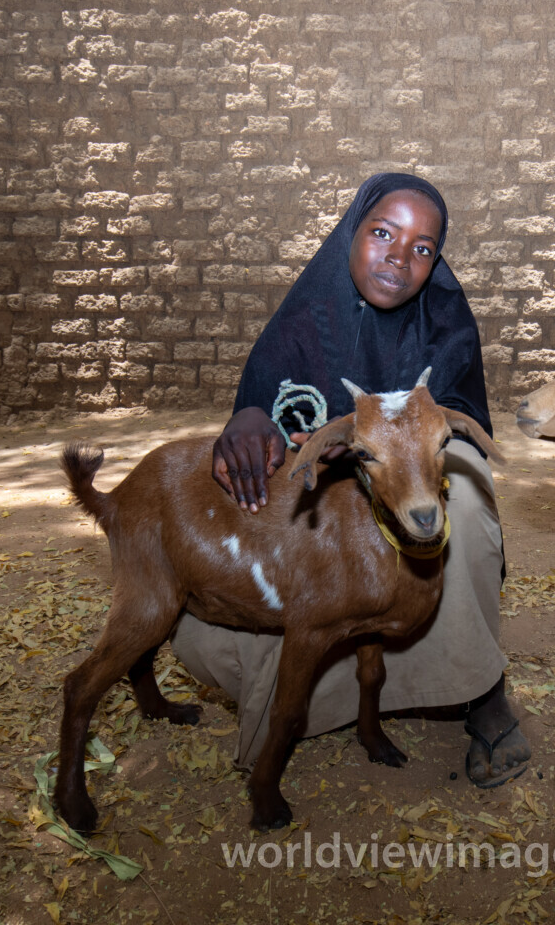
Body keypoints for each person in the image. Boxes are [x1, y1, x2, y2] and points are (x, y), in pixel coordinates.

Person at [170, 172, 532, 788]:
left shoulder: (445, 323)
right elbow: (273, 416)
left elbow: (453, 421)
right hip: (332, 501)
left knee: (466, 497)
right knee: (247, 539)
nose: (400, 257)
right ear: (351, 232)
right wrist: (249, 416)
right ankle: (318, 692)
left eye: (423, 247)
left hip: (415, 479)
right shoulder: (305, 316)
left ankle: (479, 689)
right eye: (383, 234)